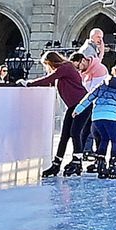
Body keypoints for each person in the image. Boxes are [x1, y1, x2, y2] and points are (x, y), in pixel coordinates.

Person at [36, 49, 88, 177]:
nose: (47, 68)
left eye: (47, 65)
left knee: (75, 132)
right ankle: (56, 163)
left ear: (51, 62)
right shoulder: (63, 70)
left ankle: (77, 161)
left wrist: (28, 83)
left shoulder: (66, 67)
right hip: (73, 106)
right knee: (64, 135)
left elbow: (48, 79)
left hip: (82, 105)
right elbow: (51, 81)